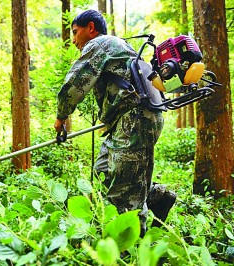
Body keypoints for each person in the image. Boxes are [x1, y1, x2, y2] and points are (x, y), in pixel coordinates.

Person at [54, 10, 176, 236]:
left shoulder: (99, 44)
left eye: (75, 32)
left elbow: (74, 84)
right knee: (103, 171)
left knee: (122, 195)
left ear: (90, 28)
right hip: (129, 120)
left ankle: (132, 248)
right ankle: (158, 196)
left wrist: (61, 117)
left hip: (134, 121)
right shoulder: (118, 47)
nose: (73, 40)